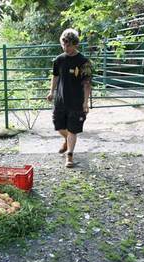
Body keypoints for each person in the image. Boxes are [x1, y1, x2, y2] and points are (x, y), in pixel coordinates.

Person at [47, 28, 92, 168]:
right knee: (59, 126)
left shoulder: (84, 62)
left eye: (69, 45)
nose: (66, 47)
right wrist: (51, 92)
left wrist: (85, 103)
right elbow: (55, 76)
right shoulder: (58, 60)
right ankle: (67, 139)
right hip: (60, 100)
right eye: (63, 44)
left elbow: (87, 84)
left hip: (76, 102)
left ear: (75, 44)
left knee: (73, 129)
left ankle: (70, 155)